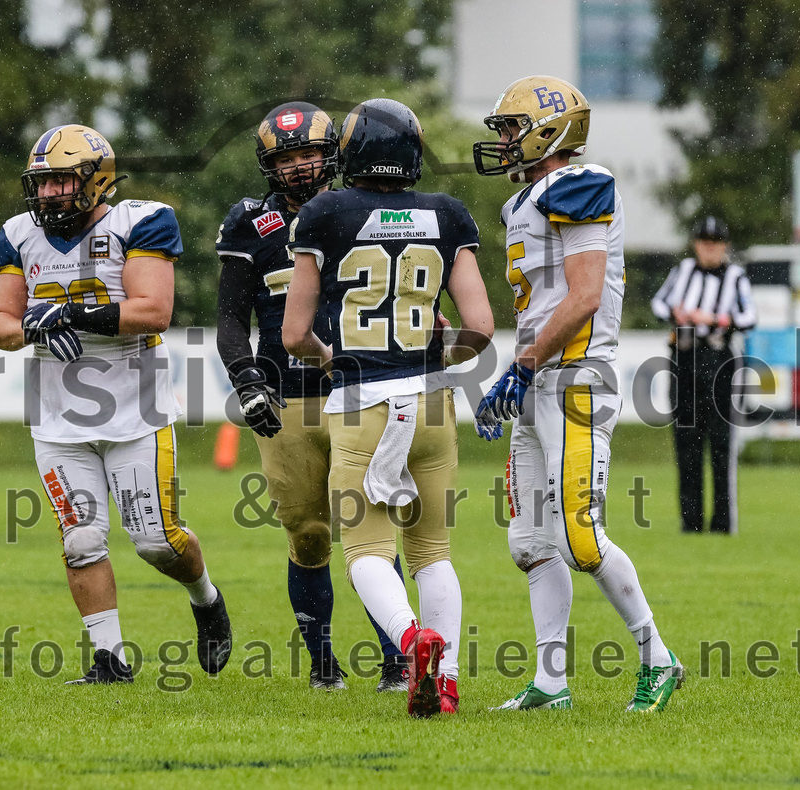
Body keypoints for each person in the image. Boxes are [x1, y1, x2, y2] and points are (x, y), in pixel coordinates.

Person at [0, 124, 232, 684]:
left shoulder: (140, 221)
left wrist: (69, 314)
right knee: (82, 539)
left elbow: (153, 311)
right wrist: (33, 327)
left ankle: (205, 596)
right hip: (57, 418)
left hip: (135, 412)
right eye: (42, 183)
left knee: (157, 543)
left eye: (61, 182)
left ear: (95, 181)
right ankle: (109, 659)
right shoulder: (19, 233)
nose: (48, 194)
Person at [473, 75, 684, 712]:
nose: (504, 142)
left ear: (550, 130)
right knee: (530, 543)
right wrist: (515, 373)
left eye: (513, 129)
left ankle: (658, 657)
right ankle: (551, 682)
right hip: (540, 376)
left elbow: (585, 295)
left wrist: (522, 366)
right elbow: (541, 305)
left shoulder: (580, 184)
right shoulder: (525, 200)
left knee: (579, 538)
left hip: (575, 377)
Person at [283, 98, 494, 717]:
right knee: (432, 553)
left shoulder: (324, 212)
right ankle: (446, 681)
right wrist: (436, 353)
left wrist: (334, 361)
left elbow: (294, 335)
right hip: (431, 404)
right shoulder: (448, 213)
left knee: (366, 553)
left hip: (360, 404)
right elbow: (480, 328)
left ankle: (410, 640)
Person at [215, 102, 409, 692]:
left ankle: (397, 659)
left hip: (359, 391)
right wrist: (247, 381)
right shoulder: (251, 222)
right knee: (308, 533)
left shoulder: (363, 210)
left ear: (333, 156)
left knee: (370, 530)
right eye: (286, 158)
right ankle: (323, 663)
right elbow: (230, 318)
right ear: (268, 165)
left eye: (309, 154)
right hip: (288, 399)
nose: (299, 167)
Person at [651, 216, 756, 533]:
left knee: (721, 442)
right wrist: (676, 314)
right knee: (686, 441)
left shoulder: (735, 276)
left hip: (719, 358)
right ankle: (691, 522)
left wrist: (716, 319)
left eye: (715, 243)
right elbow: (658, 303)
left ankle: (723, 523)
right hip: (684, 357)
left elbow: (749, 316)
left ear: (724, 246)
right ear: (696, 244)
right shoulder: (682, 271)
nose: (710, 249)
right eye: (705, 242)